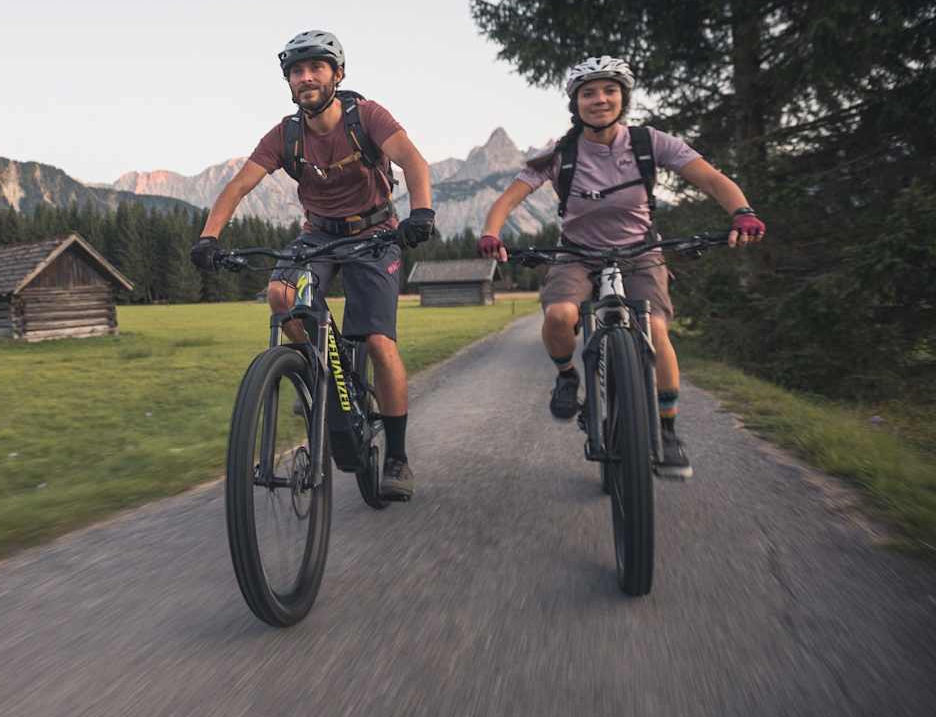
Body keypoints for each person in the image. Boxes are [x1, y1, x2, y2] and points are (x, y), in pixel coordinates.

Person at [478, 55, 766, 479]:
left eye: (609, 91)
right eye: (589, 93)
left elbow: (709, 178)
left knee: (657, 331)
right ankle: (566, 376)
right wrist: (491, 233)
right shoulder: (559, 153)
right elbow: (507, 200)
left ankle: (666, 430)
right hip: (576, 252)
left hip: (640, 251)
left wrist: (742, 210)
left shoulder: (651, 143)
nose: (600, 100)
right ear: (575, 104)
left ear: (623, 98)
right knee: (560, 315)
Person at [190, 30, 435, 500]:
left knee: (381, 343)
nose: (305, 78)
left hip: (376, 233)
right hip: (318, 233)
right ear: (289, 82)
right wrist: (209, 237)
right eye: (296, 71)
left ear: (336, 74)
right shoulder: (287, 134)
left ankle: (398, 457)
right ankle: (325, 373)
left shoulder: (367, 116)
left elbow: (413, 160)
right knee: (281, 295)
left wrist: (421, 212)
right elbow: (239, 185)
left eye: (315, 68)